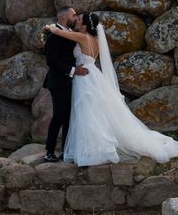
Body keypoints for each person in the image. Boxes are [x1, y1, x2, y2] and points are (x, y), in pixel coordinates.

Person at [45, 12, 178, 166]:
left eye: (79, 19)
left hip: (84, 77)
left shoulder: (82, 37)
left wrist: (50, 28)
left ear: (85, 25)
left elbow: (58, 32)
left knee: (86, 112)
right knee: (94, 111)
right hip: (93, 73)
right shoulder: (95, 39)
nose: (76, 20)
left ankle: (90, 148)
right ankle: (85, 146)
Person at [42, 6, 89, 163]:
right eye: (73, 15)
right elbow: (51, 60)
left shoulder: (69, 33)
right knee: (59, 116)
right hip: (58, 81)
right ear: (63, 17)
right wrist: (73, 70)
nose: (75, 18)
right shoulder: (54, 36)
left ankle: (65, 151)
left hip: (70, 81)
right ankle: (49, 152)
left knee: (69, 116)